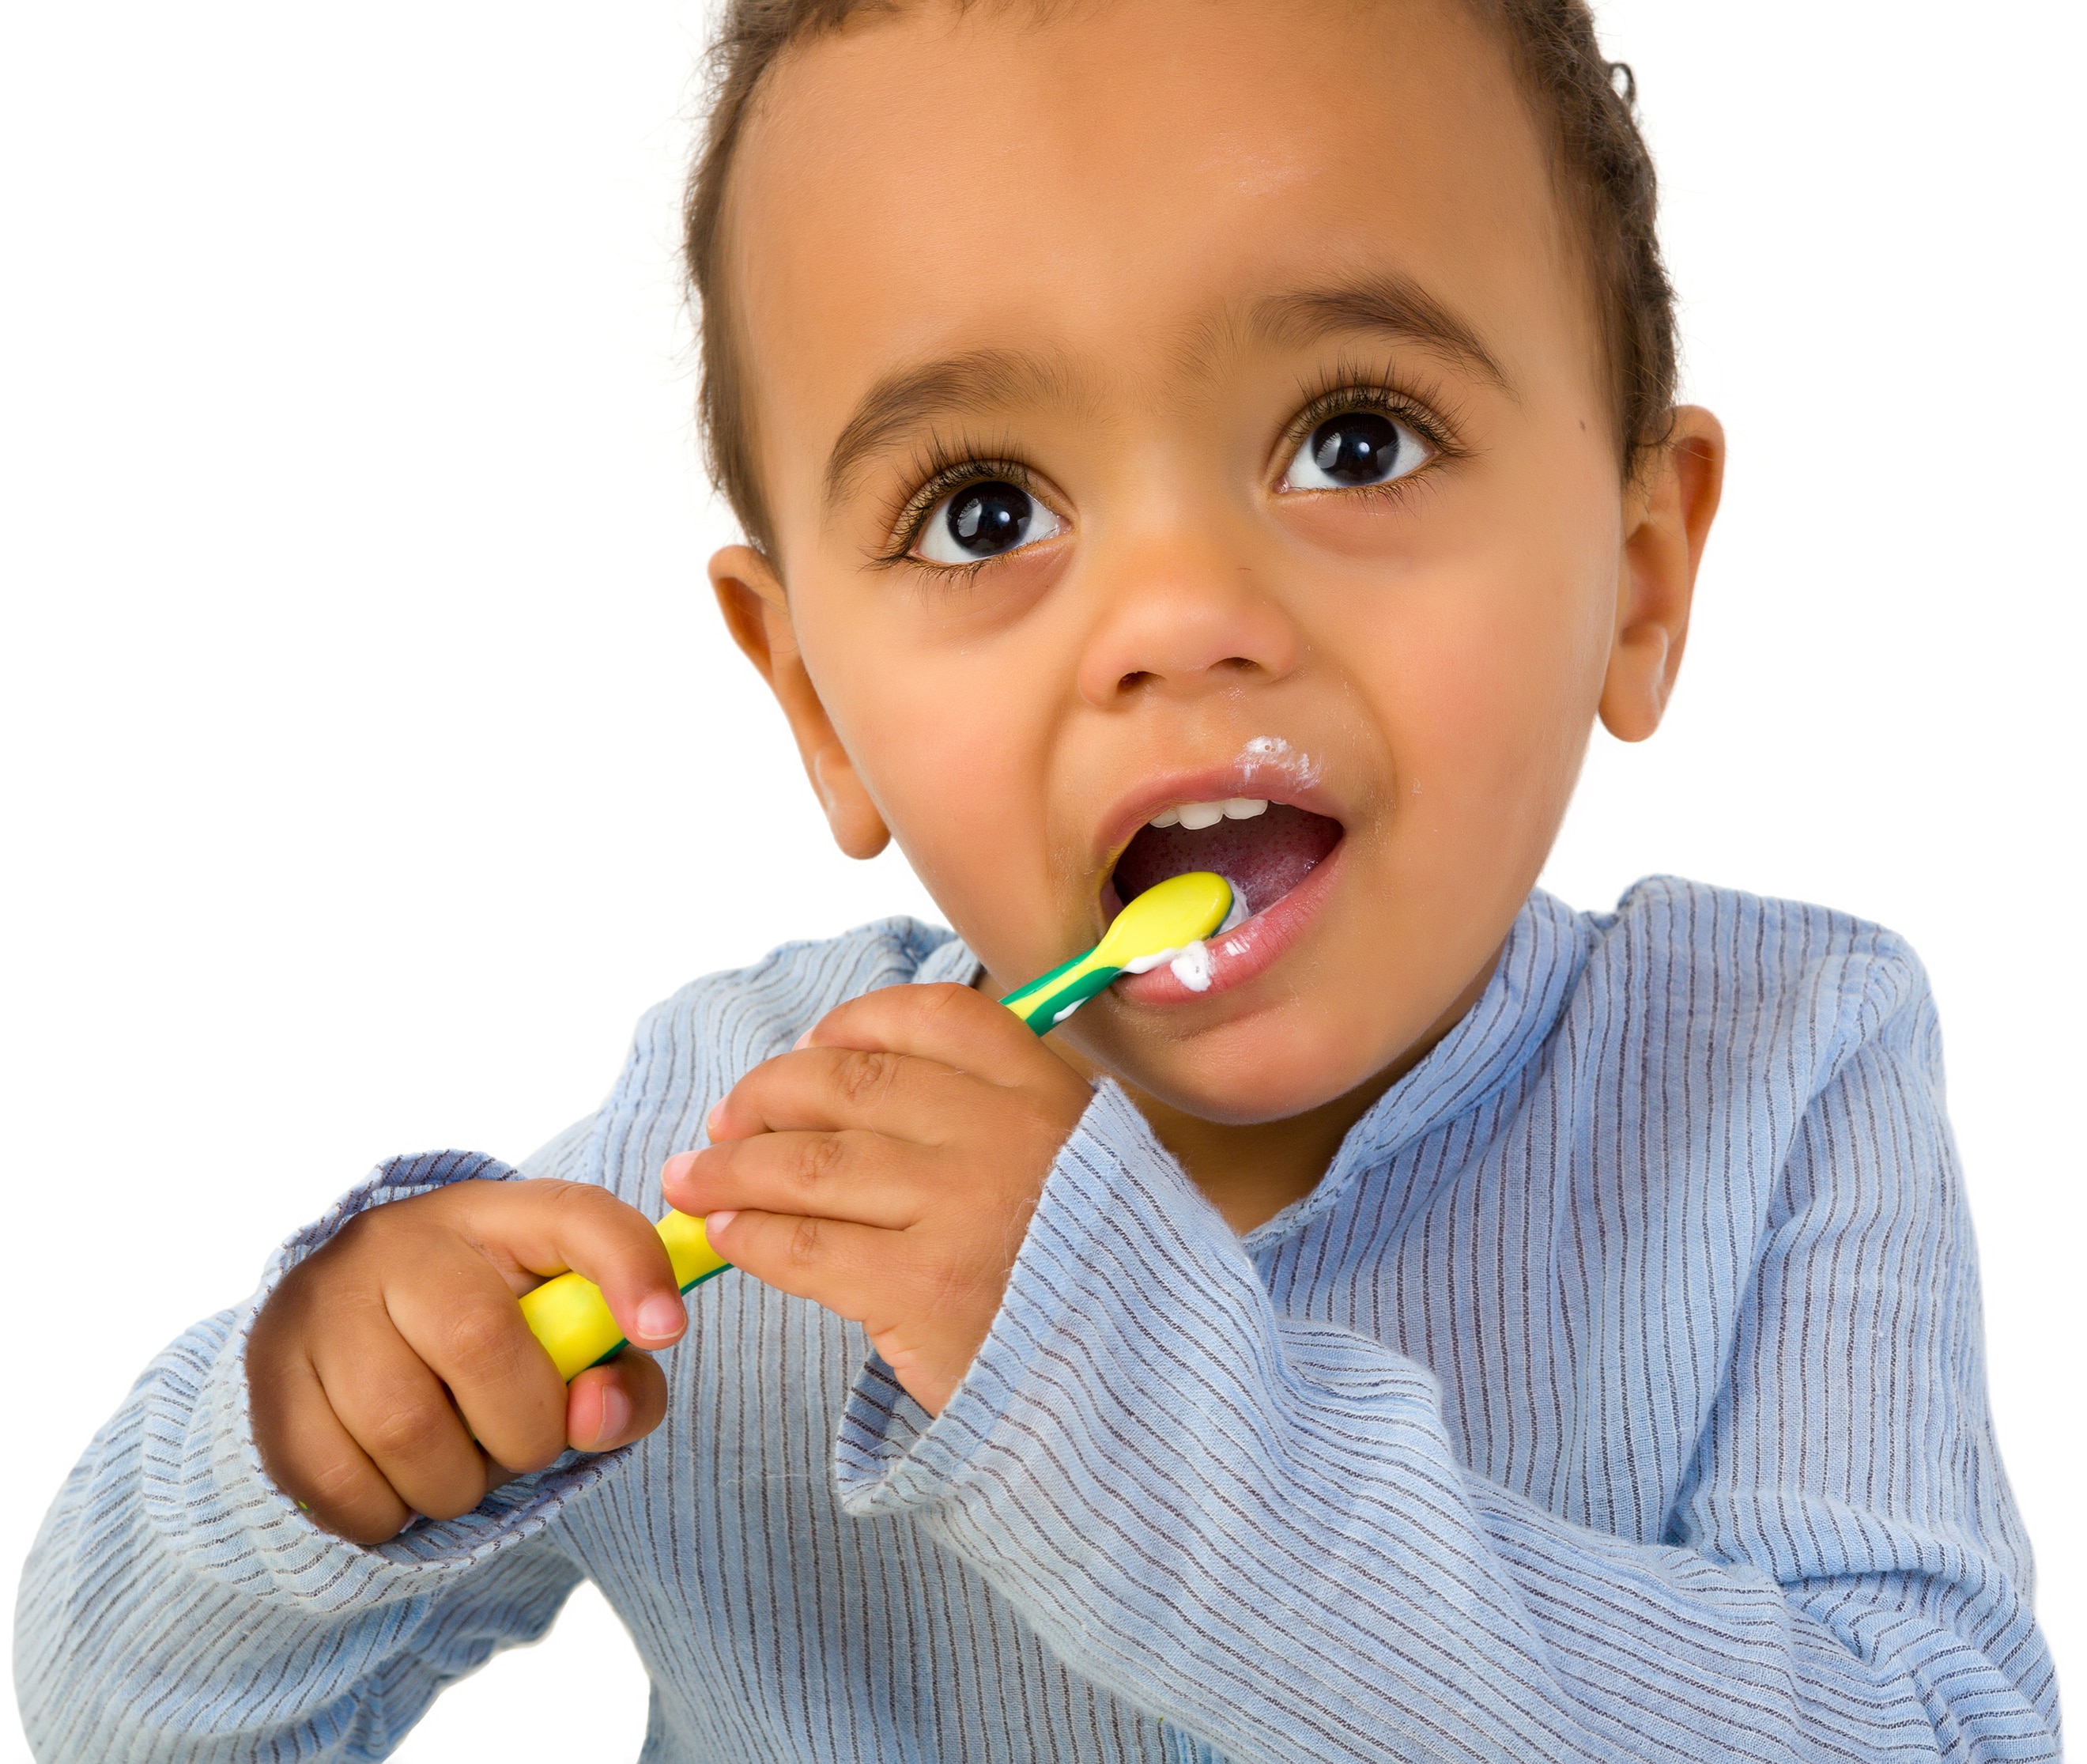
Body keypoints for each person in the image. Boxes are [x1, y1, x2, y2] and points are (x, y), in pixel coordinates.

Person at [17, 0, 2060, 1758]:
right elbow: (127, 1714)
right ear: (815, 695)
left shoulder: (1779, 1070)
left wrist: (1110, 1376)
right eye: (985, 505)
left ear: (1639, 570)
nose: (1182, 616)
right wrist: (312, 1447)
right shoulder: (748, 1129)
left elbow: (1929, 1734)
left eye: (1355, 440)